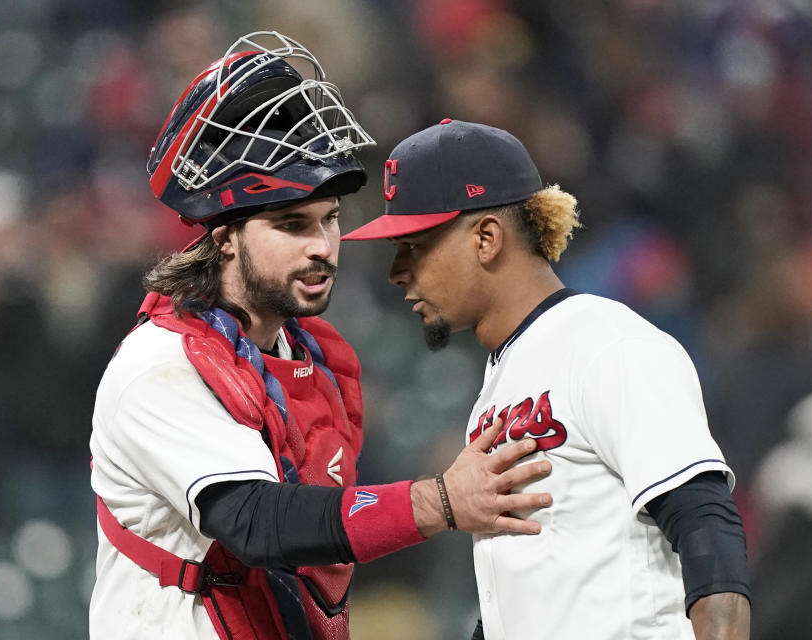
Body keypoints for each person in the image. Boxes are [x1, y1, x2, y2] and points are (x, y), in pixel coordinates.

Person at [89, 34, 551, 640]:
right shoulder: (160, 365)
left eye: (329, 219)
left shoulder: (317, 358)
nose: (321, 246)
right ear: (224, 236)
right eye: (290, 224)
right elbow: (257, 524)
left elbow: (331, 546)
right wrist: (439, 501)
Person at [342, 118, 752, 639]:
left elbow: (705, 525)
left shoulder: (608, 343)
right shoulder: (501, 382)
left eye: (414, 246)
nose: (397, 271)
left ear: (486, 238)